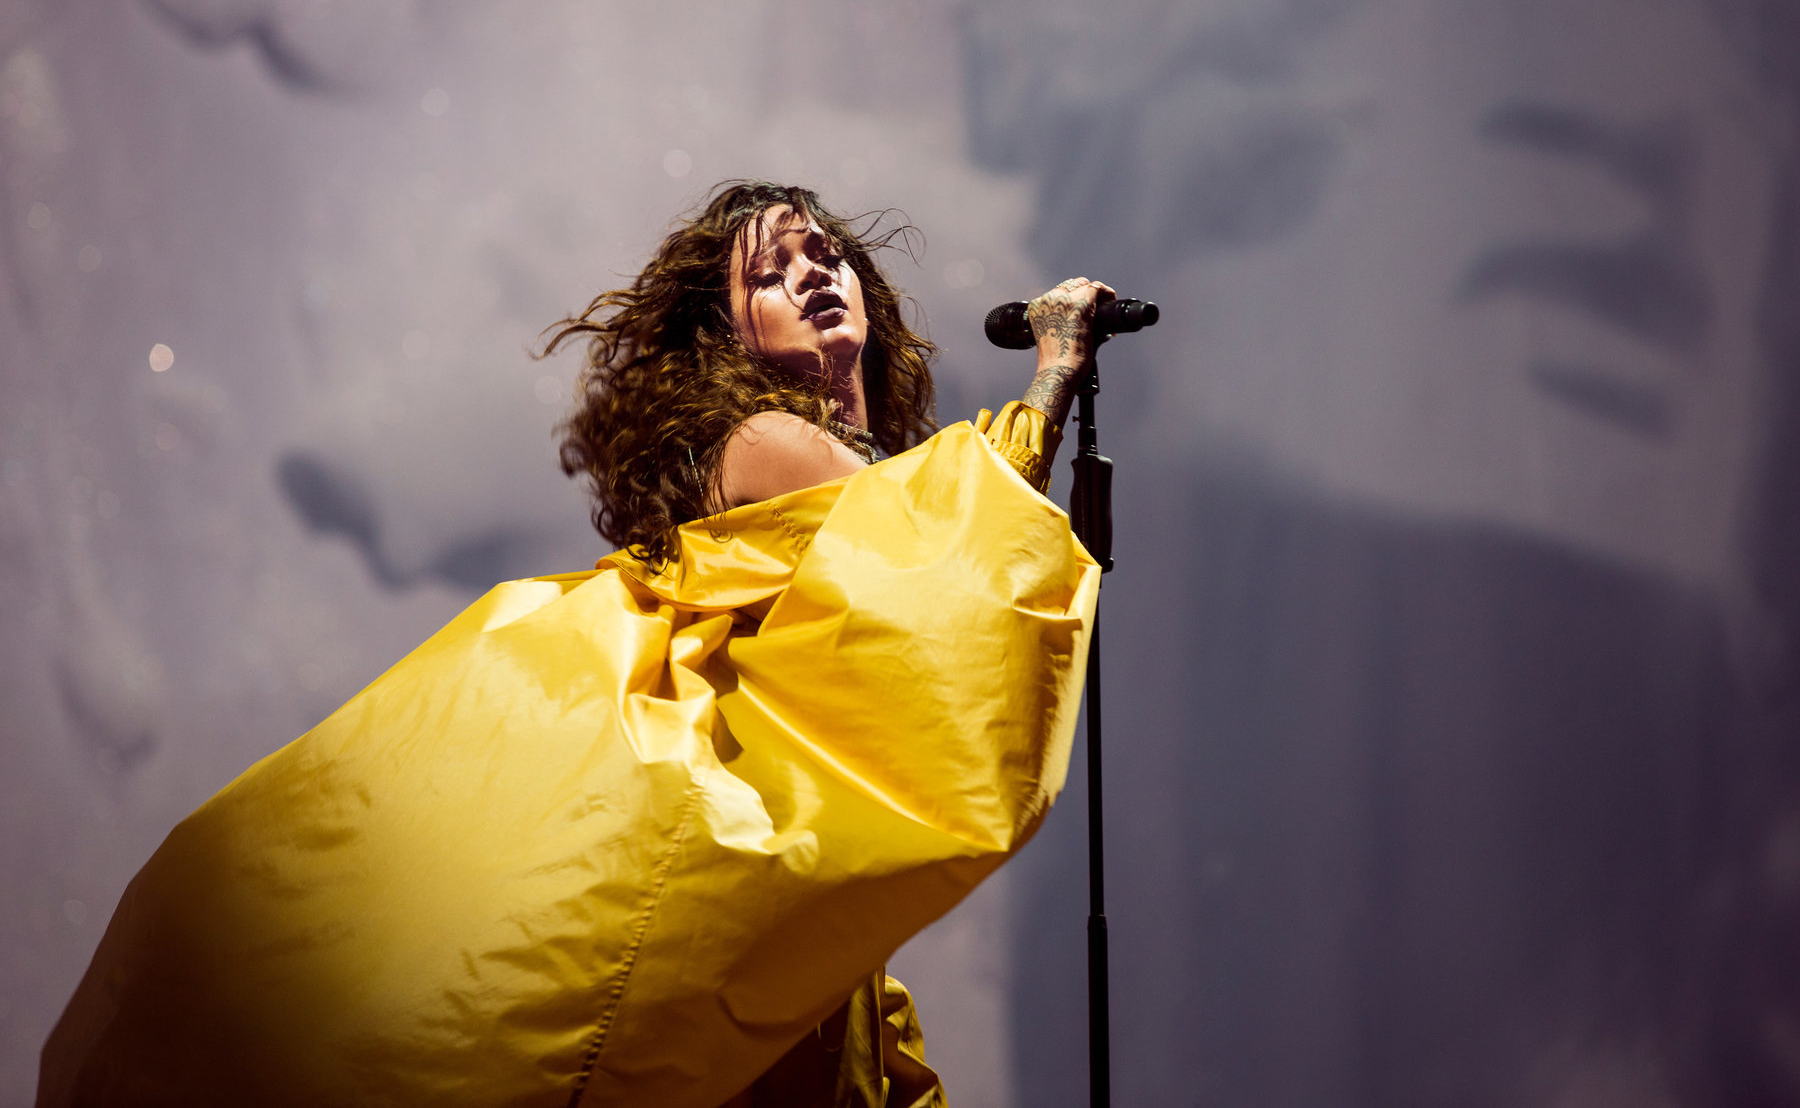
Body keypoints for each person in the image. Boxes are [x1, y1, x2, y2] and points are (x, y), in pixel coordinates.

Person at [38, 180, 1104, 1108]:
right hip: (730, 858)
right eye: (772, 272)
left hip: (774, 902)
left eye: (824, 252)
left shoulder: (867, 471)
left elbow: (948, 545)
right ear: (724, 332)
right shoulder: (768, 444)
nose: (814, 271)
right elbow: (939, 542)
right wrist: (1055, 363)